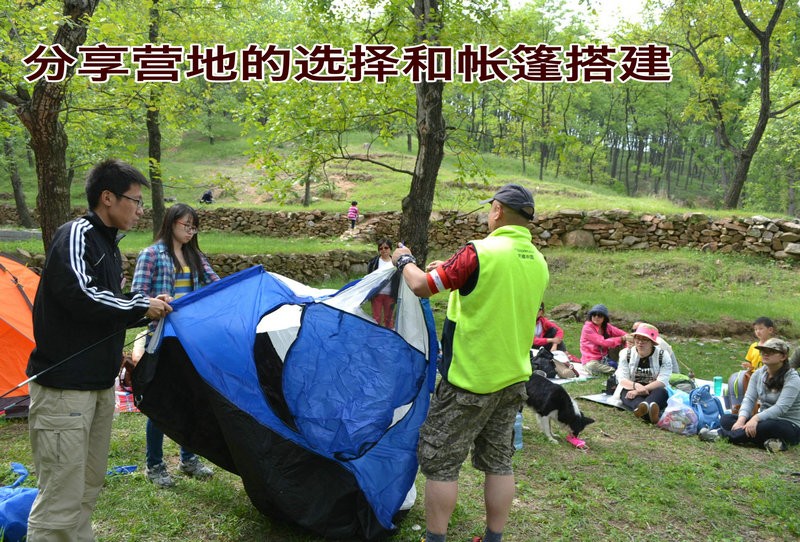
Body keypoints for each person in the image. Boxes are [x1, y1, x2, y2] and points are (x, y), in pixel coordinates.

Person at [25, 159, 172, 541]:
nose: (140, 211)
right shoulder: (77, 234)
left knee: (87, 488)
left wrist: (145, 307)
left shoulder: (109, 245)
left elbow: (105, 309)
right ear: (108, 197)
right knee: (60, 499)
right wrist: (139, 305)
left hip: (98, 388)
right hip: (64, 391)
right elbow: (81, 294)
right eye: (135, 201)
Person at [392, 183, 548, 542]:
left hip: (468, 380)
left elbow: (420, 285)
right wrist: (447, 269)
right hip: (512, 379)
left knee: (441, 463)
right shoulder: (538, 261)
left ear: (497, 210)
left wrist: (404, 260)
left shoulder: (479, 251)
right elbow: (493, 291)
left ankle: (435, 538)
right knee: (499, 462)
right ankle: (493, 537)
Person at [132, 203, 220, 488]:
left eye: (195, 227)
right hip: (162, 337)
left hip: (191, 338)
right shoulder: (151, 255)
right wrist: (157, 301)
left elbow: (216, 285)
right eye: (186, 225)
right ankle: (155, 465)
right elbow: (137, 297)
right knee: (161, 401)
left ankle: (188, 459)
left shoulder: (196, 256)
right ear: (171, 223)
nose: (191, 232)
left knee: (191, 398)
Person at [699, 338, 800, 452]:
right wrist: (741, 420)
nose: (765, 354)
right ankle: (773, 443)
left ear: (783, 356)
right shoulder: (759, 373)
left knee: (765, 426)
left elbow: (781, 408)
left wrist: (755, 418)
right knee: (726, 419)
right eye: (763, 351)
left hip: (789, 426)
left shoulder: (792, 378)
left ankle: (721, 435)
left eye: (771, 352)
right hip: (763, 420)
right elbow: (749, 399)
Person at [615, 323, 671, 423]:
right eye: (638, 338)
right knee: (627, 394)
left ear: (652, 342)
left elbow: (663, 381)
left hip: (653, 389)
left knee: (661, 392)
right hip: (631, 388)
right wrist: (636, 386)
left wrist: (642, 389)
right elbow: (622, 378)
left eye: (645, 339)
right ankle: (649, 413)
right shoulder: (625, 353)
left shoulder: (663, 355)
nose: (640, 342)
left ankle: (646, 410)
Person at [727, 316, 777, 414]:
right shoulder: (753, 346)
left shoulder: (775, 346)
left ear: (770, 330)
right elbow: (750, 362)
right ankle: (747, 409)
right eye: (756, 329)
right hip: (754, 376)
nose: (758, 331)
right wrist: (748, 366)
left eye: (761, 329)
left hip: (769, 377)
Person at [579, 304, 631, 375]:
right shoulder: (587, 328)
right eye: (594, 315)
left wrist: (629, 338)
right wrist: (622, 338)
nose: (596, 317)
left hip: (606, 357)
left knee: (624, 342)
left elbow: (623, 334)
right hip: (591, 360)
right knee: (591, 366)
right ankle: (618, 371)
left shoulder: (607, 326)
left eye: (599, 315)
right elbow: (602, 342)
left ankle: (628, 365)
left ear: (604, 318)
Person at [366, 238, 399, 328]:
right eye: (381, 248)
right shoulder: (374, 262)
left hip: (390, 294)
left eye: (386, 247)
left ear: (390, 249)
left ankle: (389, 334)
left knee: (389, 319)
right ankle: (376, 334)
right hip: (377, 294)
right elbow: (369, 277)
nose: (383, 250)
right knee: (376, 318)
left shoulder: (395, 262)